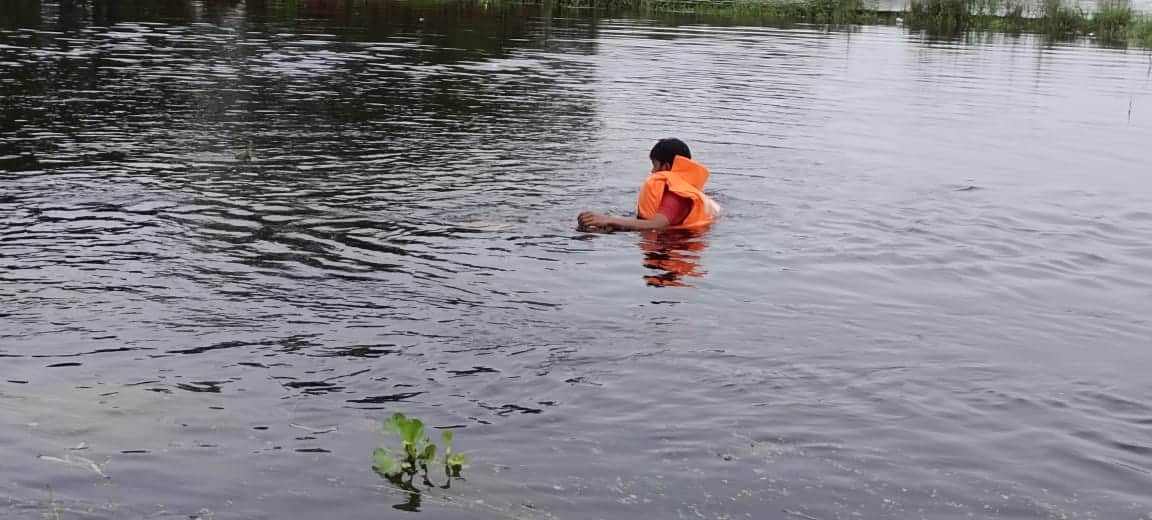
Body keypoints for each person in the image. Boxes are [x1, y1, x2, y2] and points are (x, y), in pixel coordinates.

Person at [577, 138, 719, 232]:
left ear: (666, 166)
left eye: (655, 165)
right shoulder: (686, 190)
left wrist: (608, 220)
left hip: (669, 250)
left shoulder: (675, 196)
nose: (652, 171)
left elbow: (656, 225)